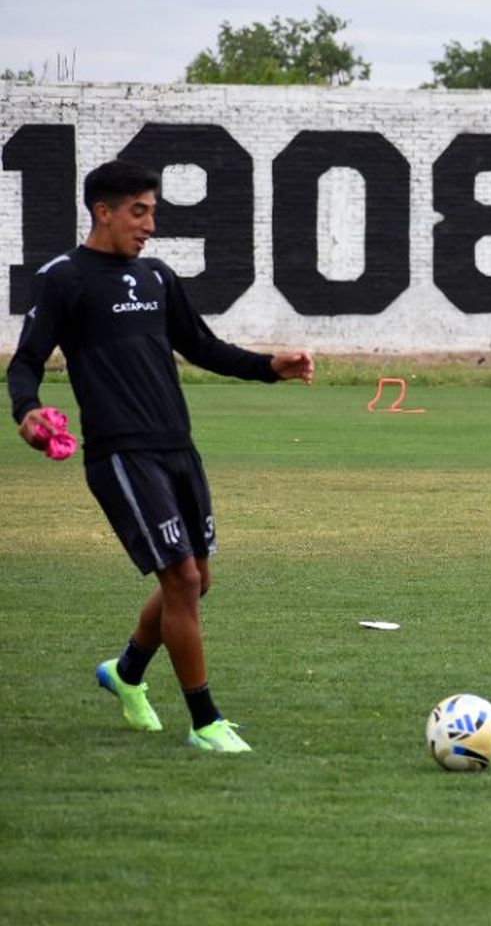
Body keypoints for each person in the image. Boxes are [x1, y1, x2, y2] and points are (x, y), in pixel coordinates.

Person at [7, 159, 314, 754]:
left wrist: (267, 368)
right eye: (139, 212)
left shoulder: (156, 276)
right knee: (180, 578)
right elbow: (25, 360)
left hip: (178, 445)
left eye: (152, 212)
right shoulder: (64, 278)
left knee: (200, 581)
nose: (149, 225)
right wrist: (27, 410)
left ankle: (124, 673)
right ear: (104, 211)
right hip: (122, 453)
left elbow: (200, 345)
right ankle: (205, 722)